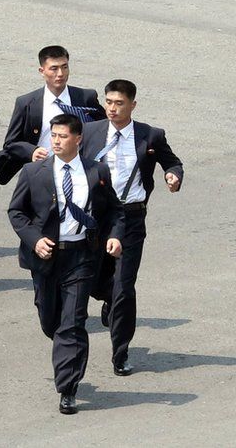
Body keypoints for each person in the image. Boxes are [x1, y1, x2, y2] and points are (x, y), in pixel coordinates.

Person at [8, 114, 124, 415]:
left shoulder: (96, 171)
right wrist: (35, 240)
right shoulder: (35, 172)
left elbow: (114, 210)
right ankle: (66, 354)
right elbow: (16, 212)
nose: (56, 141)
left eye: (62, 136)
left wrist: (114, 236)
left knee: (72, 323)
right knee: (52, 323)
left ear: (78, 139)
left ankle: (68, 387)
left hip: (82, 256)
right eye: (53, 136)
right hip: (46, 257)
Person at [80, 79, 183, 376]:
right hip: (96, 217)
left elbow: (172, 163)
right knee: (97, 281)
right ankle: (107, 297)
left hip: (132, 218)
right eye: (109, 102)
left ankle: (120, 352)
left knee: (125, 287)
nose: (112, 108)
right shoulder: (89, 131)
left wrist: (173, 177)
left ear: (132, 105)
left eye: (119, 103)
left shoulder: (149, 136)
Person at [0, 45, 103, 184]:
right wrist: (32, 151)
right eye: (54, 68)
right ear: (42, 71)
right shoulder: (27, 103)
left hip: (79, 172)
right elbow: (11, 143)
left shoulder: (85, 97)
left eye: (64, 67)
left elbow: (104, 129)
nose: (60, 73)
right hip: (41, 172)